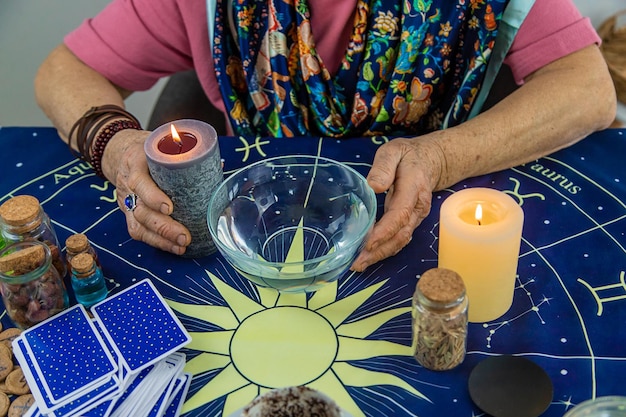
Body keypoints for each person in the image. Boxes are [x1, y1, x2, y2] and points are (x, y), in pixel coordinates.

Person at [34, 0, 616, 272]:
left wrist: (440, 157)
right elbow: (64, 72)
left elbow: (586, 90)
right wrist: (114, 144)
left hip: (415, 216)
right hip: (251, 220)